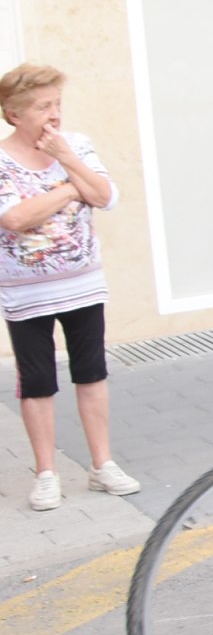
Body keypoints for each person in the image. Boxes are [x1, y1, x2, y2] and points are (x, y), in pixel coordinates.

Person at [0, 66, 134, 510]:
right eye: (42, 107)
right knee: (37, 382)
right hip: (26, 293)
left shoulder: (76, 146)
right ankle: (46, 474)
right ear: (14, 114)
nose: (54, 115)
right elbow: (15, 219)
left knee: (91, 373)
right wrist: (70, 190)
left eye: (57, 104)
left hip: (83, 285)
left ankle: (102, 465)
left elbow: (106, 196)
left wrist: (69, 164)